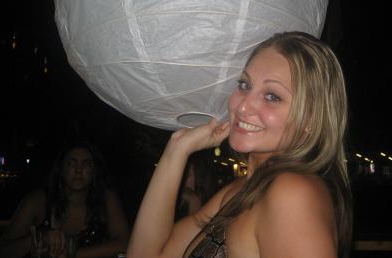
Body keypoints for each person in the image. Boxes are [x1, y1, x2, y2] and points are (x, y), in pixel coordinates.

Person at [126, 31, 353, 258]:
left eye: (272, 96)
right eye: (244, 85)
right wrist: (177, 149)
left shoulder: (292, 193)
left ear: (310, 119)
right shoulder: (240, 190)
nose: (242, 106)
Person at [0, 140, 130, 258]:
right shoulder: (38, 200)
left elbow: (124, 244)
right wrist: (40, 238)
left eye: (86, 164)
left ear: (94, 171)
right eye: (72, 163)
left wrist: (72, 254)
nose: (78, 170)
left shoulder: (106, 198)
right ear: (61, 169)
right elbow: (1, 252)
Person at [175, 149, 219, 221]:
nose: (181, 181)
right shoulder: (175, 203)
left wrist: (194, 202)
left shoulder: (215, 207)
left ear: (201, 178)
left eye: (187, 175)